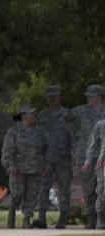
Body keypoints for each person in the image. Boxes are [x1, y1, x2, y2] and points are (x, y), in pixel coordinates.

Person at [1, 104, 49, 230]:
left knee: (32, 195)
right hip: (18, 170)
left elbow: (46, 149)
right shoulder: (13, 132)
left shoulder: (39, 132)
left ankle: (27, 219)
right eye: (31, 113)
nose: (34, 115)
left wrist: (46, 164)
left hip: (35, 169)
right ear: (23, 115)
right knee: (17, 194)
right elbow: (7, 152)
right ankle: (12, 210)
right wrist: (11, 166)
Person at [38, 85, 77, 228]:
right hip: (46, 159)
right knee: (43, 187)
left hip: (63, 157)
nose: (53, 99)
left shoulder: (68, 115)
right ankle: (41, 217)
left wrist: (75, 155)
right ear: (47, 99)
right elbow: (38, 138)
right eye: (50, 96)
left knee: (64, 189)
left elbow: (74, 136)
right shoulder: (42, 116)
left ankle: (62, 218)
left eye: (55, 96)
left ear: (60, 97)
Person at [74, 85, 105, 228]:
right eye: (88, 96)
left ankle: (101, 218)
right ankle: (91, 217)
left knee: (101, 188)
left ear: (100, 96)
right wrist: (77, 143)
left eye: (91, 96)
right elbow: (68, 123)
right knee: (88, 188)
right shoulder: (81, 111)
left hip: (102, 157)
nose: (88, 98)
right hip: (86, 155)